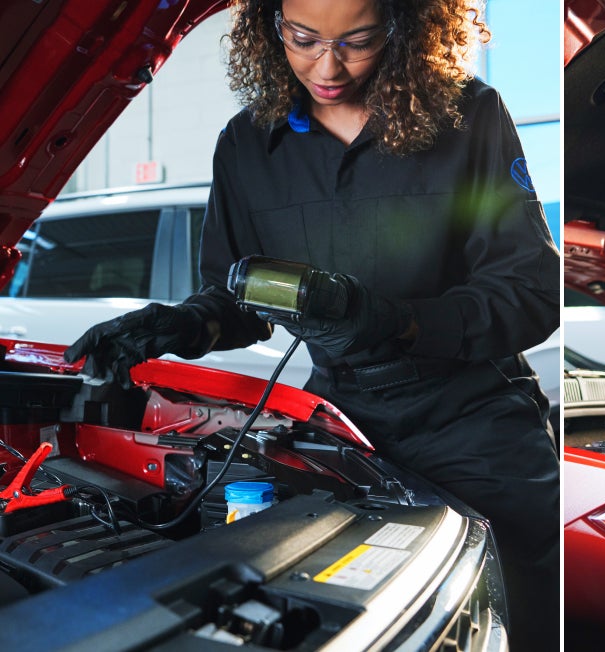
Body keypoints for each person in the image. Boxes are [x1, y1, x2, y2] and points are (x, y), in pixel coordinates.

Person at [63, 0, 560, 648]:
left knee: (514, 621)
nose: (326, 66)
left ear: (405, 27)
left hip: (475, 427)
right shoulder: (247, 145)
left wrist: (398, 323)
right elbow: (236, 297)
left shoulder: (470, 117)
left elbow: (529, 290)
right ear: (269, 28)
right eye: (302, 39)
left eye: (357, 40)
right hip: (345, 434)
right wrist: (182, 326)